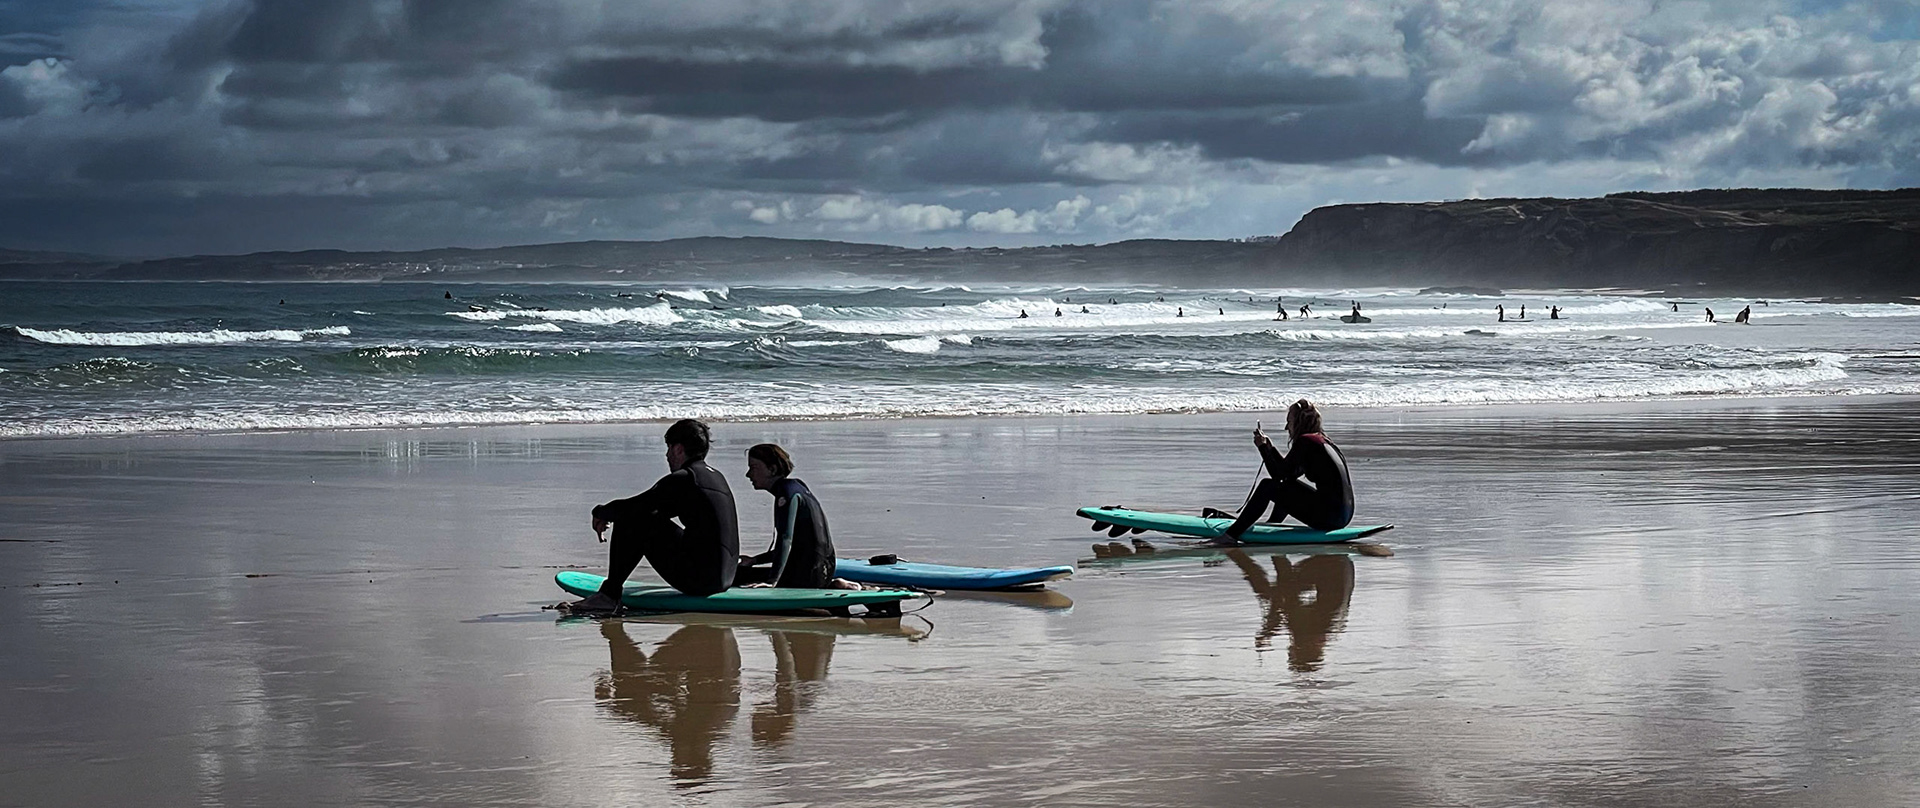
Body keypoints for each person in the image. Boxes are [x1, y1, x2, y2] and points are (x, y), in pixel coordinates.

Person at [569, 419, 740, 612]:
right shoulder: (714, 476)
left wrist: (600, 511)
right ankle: (609, 594)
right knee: (641, 515)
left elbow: (635, 508)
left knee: (632, 516)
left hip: (701, 582)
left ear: (678, 449)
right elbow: (656, 510)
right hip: (725, 578)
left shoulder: (685, 478)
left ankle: (609, 596)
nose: (666, 455)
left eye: (668, 448)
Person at [1216, 400, 1354, 543]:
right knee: (1288, 485)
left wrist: (1262, 448)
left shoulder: (1305, 441)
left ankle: (1230, 536)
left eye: (1289, 421)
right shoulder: (1321, 441)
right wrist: (1270, 448)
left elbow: (1278, 475)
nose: (1286, 427)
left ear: (1299, 422)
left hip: (1330, 517)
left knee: (1267, 486)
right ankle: (1273, 523)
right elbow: (1288, 474)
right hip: (1343, 516)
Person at [735, 443, 836, 589]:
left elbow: (785, 539)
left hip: (809, 577)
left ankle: (834, 585)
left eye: (754, 468)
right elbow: (797, 546)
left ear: (772, 469)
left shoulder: (786, 493)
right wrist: (755, 560)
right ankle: (835, 583)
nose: (748, 474)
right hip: (823, 570)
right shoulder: (796, 486)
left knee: (737, 577)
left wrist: (772, 581)